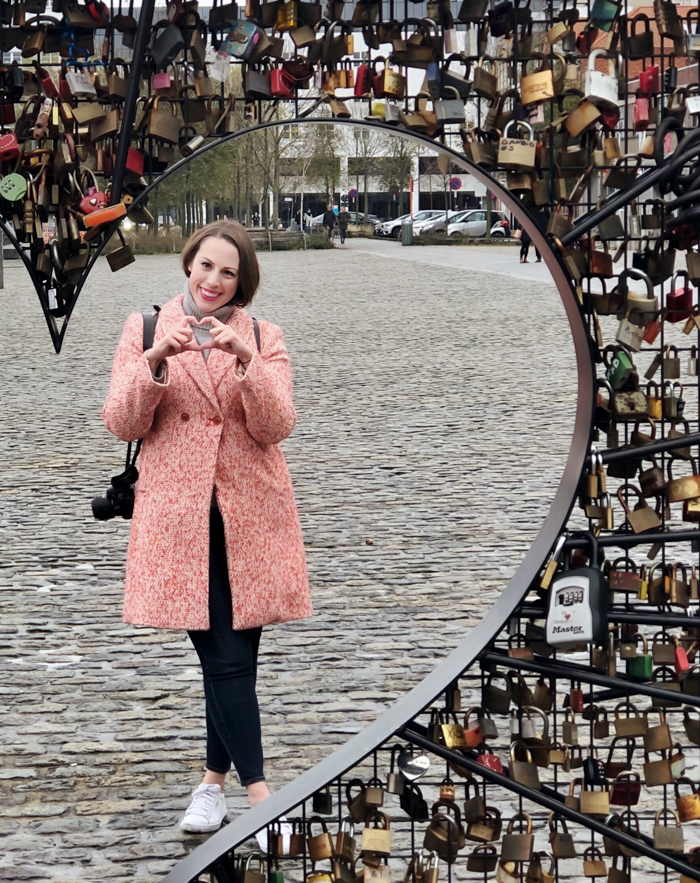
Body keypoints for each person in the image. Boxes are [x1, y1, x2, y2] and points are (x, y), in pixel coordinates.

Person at [102, 220, 313, 838]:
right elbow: (121, 422)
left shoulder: (265, 336)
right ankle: (262, 796)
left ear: (242, 280)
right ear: (187, 264)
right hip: (179, 517)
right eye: (205, 266)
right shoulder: (144, 329)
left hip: (251, 514)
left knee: (236, 657)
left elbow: (277, 427)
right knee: (221, 657)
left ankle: (211, 785)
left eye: (228, 271)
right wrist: (155, 361)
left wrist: (247, 359)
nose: (214, 280)